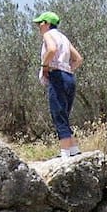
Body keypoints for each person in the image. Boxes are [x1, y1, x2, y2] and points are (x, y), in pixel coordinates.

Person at [33, 11, 84, 158]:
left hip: (57, 76)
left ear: (47, 24)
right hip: (68, 77)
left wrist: (45, 67)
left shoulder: (48, 35)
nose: (39, 26)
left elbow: (52, 49)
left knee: (58, 113)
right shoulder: (63, 37)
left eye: (40, 23)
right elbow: (78, 59)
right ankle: (73, 149)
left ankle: (65, 153)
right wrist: (67, 69)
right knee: (64, 114)